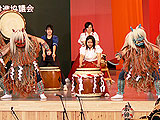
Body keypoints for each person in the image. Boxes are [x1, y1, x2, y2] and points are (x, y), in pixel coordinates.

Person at [0, 29, 51, 100]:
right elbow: (4, 52)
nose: (20, 43)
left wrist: (48, 49)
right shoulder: (12, 43)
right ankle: (8, 93)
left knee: (38, 78)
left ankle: (41, 93)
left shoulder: (30, 39)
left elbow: (42, 41)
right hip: (17, 65)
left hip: (30, 65)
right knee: (7, 79)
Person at [111, 25, 160, 99]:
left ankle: (159, 93)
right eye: (138, 40)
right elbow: (123, 51)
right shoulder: (130, 48)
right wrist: (119, 55)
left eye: (141, 39)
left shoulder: (147, 46)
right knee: (121, 75)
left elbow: (157, 50)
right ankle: (120, 93)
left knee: (156, 75)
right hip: (132, 67)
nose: (140, 41)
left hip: (146, 66)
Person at [39, 24, 66, 90]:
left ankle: (64, 84)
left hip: (52, 56)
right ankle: (37, 85)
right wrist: (43, 53)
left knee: (58, 69)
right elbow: (43, 45)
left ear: (52, 31)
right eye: (48, 29)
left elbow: (54, 45)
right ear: (45, 30)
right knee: (39, 69)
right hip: (45, 56)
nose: (49, 31)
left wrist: (53, 53)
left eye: (50, 29)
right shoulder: (43, 37)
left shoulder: (55, 37)